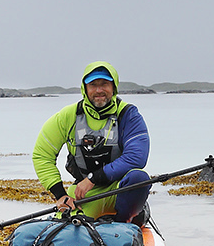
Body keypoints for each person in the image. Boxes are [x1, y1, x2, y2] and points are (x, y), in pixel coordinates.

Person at [32, 63, 151, 224]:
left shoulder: (129, 115)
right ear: (85, 88)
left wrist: (93, 178)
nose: (99, 90)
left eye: (104, 84)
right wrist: (60, 194)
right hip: (82, 195)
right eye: (93, 85)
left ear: (114, 87)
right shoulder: (67, 116)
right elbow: (42, 155)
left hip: (118, 190)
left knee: (139, 178)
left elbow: (136, 157)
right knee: (67, 230)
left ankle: (125, 221)